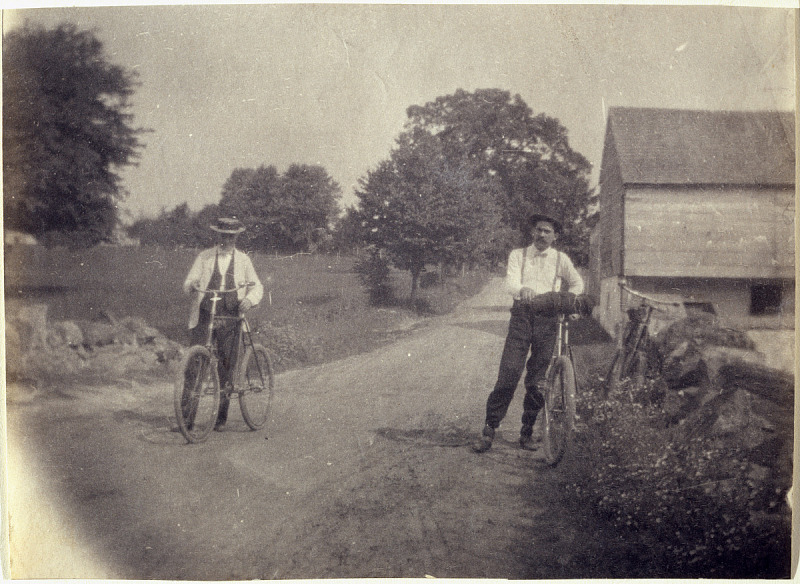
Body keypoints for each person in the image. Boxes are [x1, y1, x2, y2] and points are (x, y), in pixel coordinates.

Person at [473, 211, 584, 453]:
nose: (542, 234)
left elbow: (577, 283)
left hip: (548, 320)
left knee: (537, 381)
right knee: (509, 373)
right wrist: (522, 288)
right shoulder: (518, 255)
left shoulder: (560, 259)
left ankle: (527, 433)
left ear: (555, 236)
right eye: (539, 230)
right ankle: (489, 430)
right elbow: (510, 282)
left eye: (547, 231)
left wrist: (570, 302)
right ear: (532, 232)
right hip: (522, 317)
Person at [182, 217, 264, 430]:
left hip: (231, 317)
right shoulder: (205, 257)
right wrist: (194, 284)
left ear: (236, 237)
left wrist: (249, 300)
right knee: (194, 365)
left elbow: (258, 287)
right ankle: (186, 419)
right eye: (223, 236)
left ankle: (220, 418)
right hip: (205, 314)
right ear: (218, 235)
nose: (226, 240)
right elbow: (188, 282)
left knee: (227, 365)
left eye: (231, 236)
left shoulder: (244, 260)